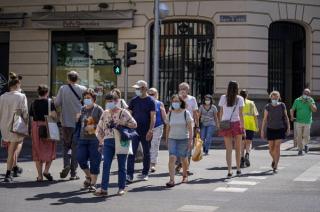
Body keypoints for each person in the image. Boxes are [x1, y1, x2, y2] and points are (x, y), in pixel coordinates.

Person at [94, 94, 137, 197]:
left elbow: (134, 124)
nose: (108, 103)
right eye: (107, 101)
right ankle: (104, 189)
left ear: (116, 101)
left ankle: (121, 188)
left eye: (110, 101)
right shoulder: (105, 113)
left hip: (121, 140)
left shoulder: (124, 112)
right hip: (108, 141)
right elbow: (99, 128)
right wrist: (100, 140)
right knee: (106, 165)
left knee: (122, 165)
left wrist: (122, 123)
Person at [55, 71, 86, 180]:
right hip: (78, 123)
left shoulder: (63, 88)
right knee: (75, 147)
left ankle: (66, 165)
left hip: (65, 122)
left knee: (65, 146)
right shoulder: (83, 89)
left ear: (68, 79)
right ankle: (73, 173)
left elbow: (57, 103)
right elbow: (87, 104)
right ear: (77, 79)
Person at [0, 73, 28, 182]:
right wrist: (26, 125)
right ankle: (8, 173)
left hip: (4, 125)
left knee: (11, 148)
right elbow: (25, 112)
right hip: (16, 124)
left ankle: (14, 168)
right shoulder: (21, 96)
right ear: (17, 85)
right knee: (12, 150)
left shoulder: (2, 97)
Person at [126, 80, 156, 182]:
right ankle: (129, 174)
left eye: (138, 88)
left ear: (144, 89)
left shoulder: (151, 101)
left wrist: (150, 130)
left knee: (146, 152)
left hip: (146, 130)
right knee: (131, 153)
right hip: (134, 131)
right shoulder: (134, 100)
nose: (136, 90)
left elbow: (153, 117)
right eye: (136, 88)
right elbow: (128, 115)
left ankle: (145, 172)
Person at [76, 89, 104, 192]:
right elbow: (81, 123)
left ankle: (93, 183)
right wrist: (77, 119)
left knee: (95, 161)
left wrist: (94, 126)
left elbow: (104, 124)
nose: (86, 100)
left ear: (94, 99)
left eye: (89, 98)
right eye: (85, 98)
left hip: (95, 140)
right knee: (80, 158)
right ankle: (88, 176)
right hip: (82, 138)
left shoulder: (98, 109)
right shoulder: (82, 109)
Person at [29, 85, 57, 181]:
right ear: (47, 92)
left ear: (38, 93)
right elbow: (54, 116)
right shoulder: (50, 102)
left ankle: (40, 176)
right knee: (50, 149)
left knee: (37, 150)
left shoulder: (33, 103)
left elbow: (31, 118)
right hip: (48, 126)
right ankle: (46, 170)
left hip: (36, 127)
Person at [165, 94, 193, 187]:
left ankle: (184, 175)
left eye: (177, 101)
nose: (175, 103)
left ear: (181, 102)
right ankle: (171, 180)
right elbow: (168, 127)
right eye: (173, 101)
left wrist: (190, 140)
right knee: (172, 157)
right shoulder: (170, 113)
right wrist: (166, 139)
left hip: (184, 139)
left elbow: (190, 128)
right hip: (172, 138)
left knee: (183, 158)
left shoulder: (186, 113)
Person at [218, 81, 245, 177]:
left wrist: (220, 123)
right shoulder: (240, 98)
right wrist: (243, 127)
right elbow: (241, 114)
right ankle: (238, 169)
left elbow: (220, 112)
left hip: (226, 124)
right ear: (237, 88)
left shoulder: (223, 97)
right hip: (237, 123)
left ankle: (229, 170)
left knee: (228, 149)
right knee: (238, 148)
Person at [261, 91, 290, 173]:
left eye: (276, 97)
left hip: (280, 128)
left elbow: (286, 117)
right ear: (270, 98)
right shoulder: (267, 106)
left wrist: (288, 128)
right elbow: (264, 119)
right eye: (273, 97)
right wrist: (262, 131)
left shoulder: (282, 105)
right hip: (270, 129)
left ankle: (276, 165)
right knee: (271, 149)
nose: (274, 99)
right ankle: (274, 159)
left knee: (277, 147)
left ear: (279, 97)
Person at [176, 82, 199, 173]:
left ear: (188, 90)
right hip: (178, 125)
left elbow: (195, 113)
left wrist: (197, 126)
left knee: (189, 145)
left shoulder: (192, 99)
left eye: (185, 89)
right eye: (181, 89)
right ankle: (180, 162)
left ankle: (187, 166)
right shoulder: (176, 99)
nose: (183, 90)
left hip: (190, 126)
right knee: (178, 145)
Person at [290, 89, 317, 155]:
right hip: (299, 121)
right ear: (302, 93)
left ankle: (306, 145)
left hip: (307, 121)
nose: (306, 94)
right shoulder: (297, 100)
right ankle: (300, 149)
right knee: (299, 136)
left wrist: (310, 103)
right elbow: (292, 109)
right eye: (305, 93)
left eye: (308, 94)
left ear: (309, 95)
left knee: (306, 136)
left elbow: (314, 110)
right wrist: (292, 116)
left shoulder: (311, 100)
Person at [148, 88, 167, 173]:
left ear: (157, 94)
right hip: (147, 127)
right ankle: (147, 162)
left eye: (153, 94)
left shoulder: (160, 104)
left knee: (154, 144)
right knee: (147, 145)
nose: (151, 96)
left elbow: (164, 116)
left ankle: (153, 163)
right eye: (150, 94)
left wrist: (169, 125)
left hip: (158, 127)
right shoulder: (146, 103)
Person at [239, 89, 259, 168]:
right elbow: (255, 115)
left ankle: (242, 158)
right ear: (247, 95)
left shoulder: (238, 102)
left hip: (241, 123)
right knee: (249, 142)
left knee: (242, 143)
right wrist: (257, 126)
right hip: (250, 124)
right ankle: (247, 154)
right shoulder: (251, 103)